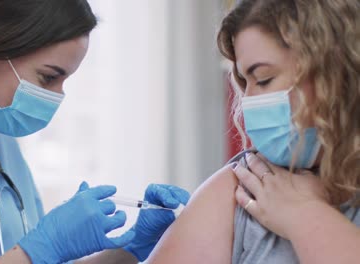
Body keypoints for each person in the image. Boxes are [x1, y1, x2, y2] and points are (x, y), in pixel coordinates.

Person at [0, 0, 190, 263]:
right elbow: (34, 255)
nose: (58, 96)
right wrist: (42, 248)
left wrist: (128, 250)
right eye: (48, 77)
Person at [147, 0, 360, 263]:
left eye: (263, 79)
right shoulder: (248, 182)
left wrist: (305, 215)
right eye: (244, 81)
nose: (248, 101)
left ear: (335, 74)